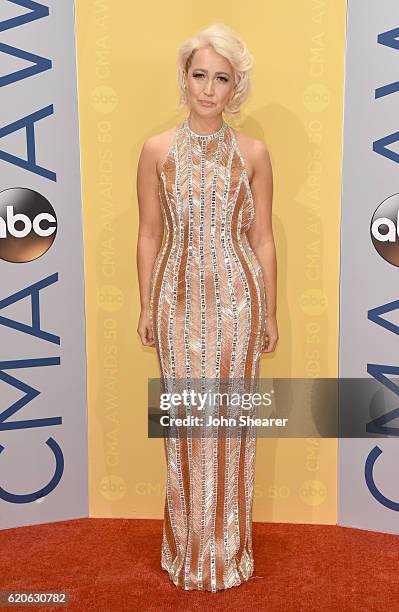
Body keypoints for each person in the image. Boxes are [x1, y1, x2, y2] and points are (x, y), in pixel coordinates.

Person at [136, 22, 278, 592]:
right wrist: (148, 304)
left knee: (231, 426)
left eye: (222, 79)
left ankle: (230, 552)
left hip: (239, 301)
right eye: (200, 75)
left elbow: (263, 237)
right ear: (185, 78)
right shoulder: (156, 151)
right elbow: (148, 234)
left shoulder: (254, 153)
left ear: (234, 88)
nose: (209, 89)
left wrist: (269, 313)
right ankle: (189, 550)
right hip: (174, 299)